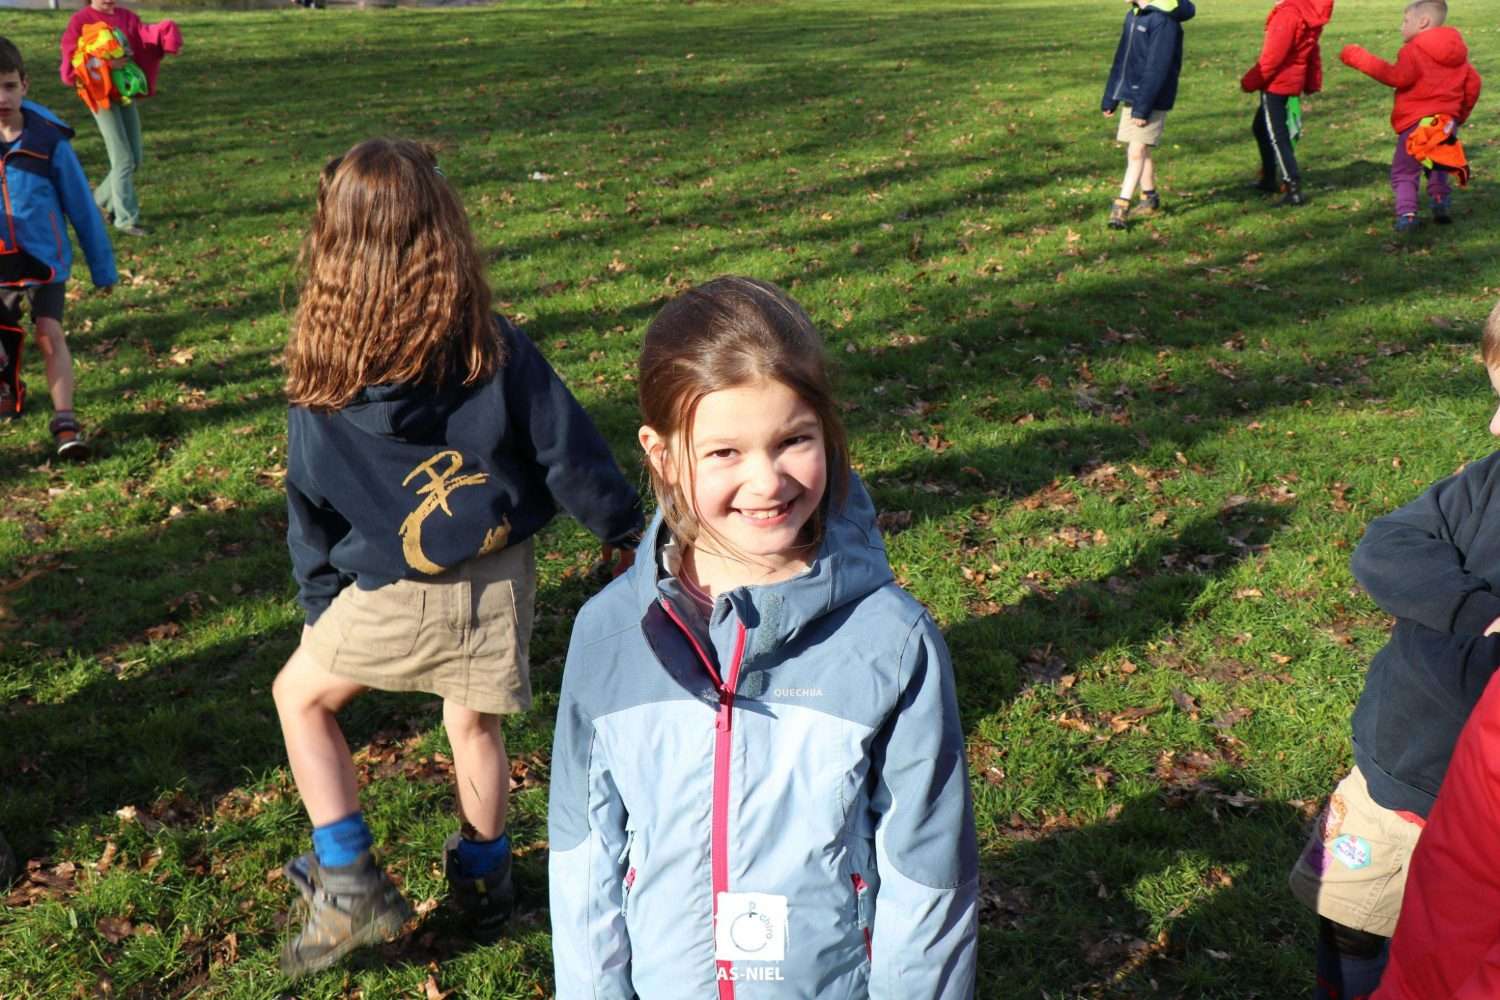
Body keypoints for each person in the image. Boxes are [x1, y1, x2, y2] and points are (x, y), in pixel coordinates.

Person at [548, 276, 979, 998]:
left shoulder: (891, 641)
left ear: (828, 433)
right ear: (662, 455)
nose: (767, 481)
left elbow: (927, 873)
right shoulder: (608, 636)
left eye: (793, 441)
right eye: (724, 452)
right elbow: (583, 855)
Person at [272, 138, 642, 979]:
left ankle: (347, 878)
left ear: (330, 244)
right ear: (445, 232)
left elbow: (309, 501)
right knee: (472, 726)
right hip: (496, 576)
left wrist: (319, 600)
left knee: (301, 697)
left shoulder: (321, 375)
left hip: (393, 587)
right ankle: (485, 878)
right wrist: (624, 528)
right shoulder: (491, 347)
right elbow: (565, 449)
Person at [1287, 297, 1500, 1000]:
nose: (1495, 426)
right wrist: (1472, 611)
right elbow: (1389, 541)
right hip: (1393, 781)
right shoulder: (1488, 482)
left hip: (1470, 815)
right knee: (1347, 920)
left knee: (1441, 954)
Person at [0, 36, 117, 459]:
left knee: (49, 334)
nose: (2, 98)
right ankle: (8, 389)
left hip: (44, 261)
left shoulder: (49, 142)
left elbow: (82, 208)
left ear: (25, 85)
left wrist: (102, 268)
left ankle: (65, 420)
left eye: (9, 86)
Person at [1340, 0, 1481, 232]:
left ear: (1423, 22)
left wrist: (1357, 56)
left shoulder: (1413, 50)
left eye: (1405, 21)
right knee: (1438, 164)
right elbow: (1473, 84)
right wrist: (1458, 116)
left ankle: (1407, 214)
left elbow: (1397, 77)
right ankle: (1440, 201)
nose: (1401, 27)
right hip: (1445, 122)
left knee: (1405, 170)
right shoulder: (1459, 54)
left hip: (1417, 122)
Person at [59, 0, 181, 237]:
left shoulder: (127, 17)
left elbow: (145, 38)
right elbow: (73, 62)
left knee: (135, 159)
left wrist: (166, 35)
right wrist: (106, 64)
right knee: (123, 159)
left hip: (124, 92)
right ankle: (125, 220)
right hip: (99, 96)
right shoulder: (80, 20)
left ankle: (96, 202)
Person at [1100, 0, 1197, 230]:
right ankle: (1149, 197)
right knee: (1139, 148)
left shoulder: (1163, 21)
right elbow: (1121, 60)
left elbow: (1157, 68)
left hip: (1152, 97)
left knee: (1136, 151)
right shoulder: (1133, 15)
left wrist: (1142, 108)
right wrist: (1111, 97)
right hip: (1133, 95)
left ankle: (1121, 206)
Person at [1240, 0, 1335, 206]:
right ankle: (1268, 177)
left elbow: (1272, 57)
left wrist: (1249, 81)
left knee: (1277, 136)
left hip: (1277, 83)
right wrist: (1311, 81)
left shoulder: (1288, 15)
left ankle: (1293, 187)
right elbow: (1312, 51)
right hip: (1290, 80)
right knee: (1260, 128)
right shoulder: (1306, 12)